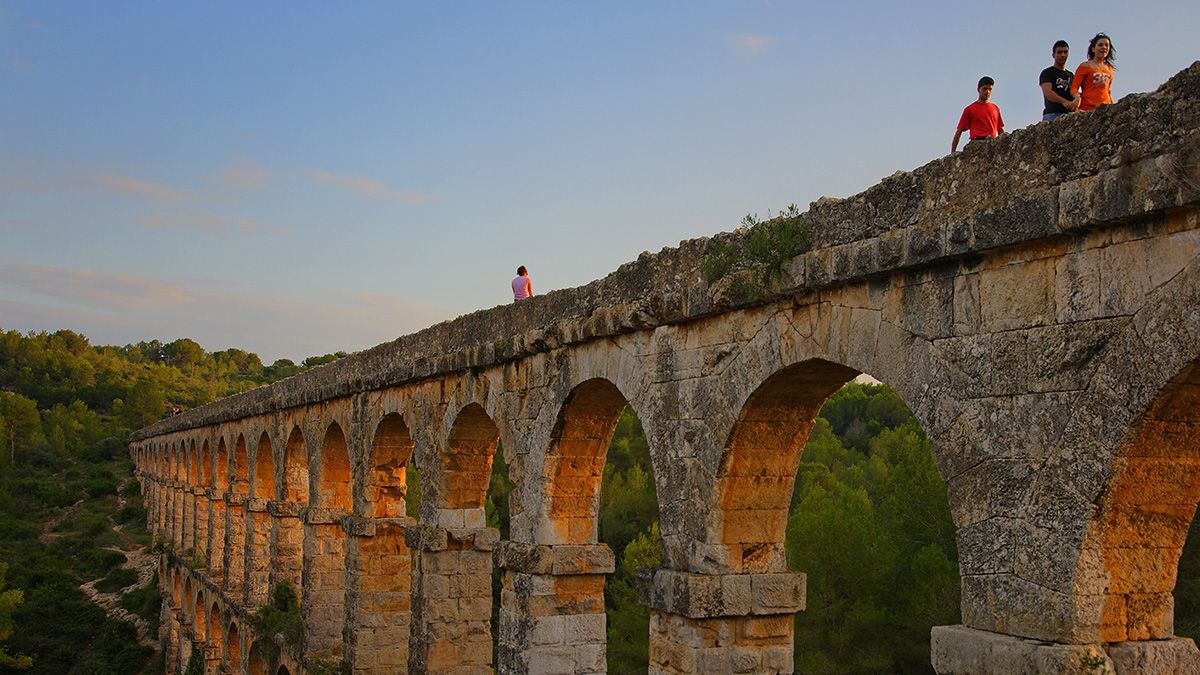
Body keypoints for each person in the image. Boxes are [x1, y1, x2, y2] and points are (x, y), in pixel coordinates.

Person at [952, 76, 1004, 152]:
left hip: (992, 144)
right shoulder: (970, 109)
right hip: (976, 145)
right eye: (985, 89)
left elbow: (1000, 129)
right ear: (978, 89)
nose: (988, 92)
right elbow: (959, 132)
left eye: (990, 89)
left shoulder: (995, 108)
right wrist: (952, 153)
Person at [1071, 33, 1115, 111]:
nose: (1104, 47)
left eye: (1106, 45)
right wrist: (1077, 97)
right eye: (1100, 45)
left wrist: (1112, 105)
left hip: (1105, 108)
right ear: (1093, 49)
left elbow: (1107, 90)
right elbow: (1074, 87)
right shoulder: (1085, 66)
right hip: (1088, 108)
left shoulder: (1109, 69)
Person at [1040, 40, 1078, 121]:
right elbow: (1048, 93)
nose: (1063, 55)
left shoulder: (1071, 75)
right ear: (1053, 55)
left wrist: (1077, 99)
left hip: (1069, 115)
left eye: (1065, 52)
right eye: (1059, 52)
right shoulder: (1047, 72)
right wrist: (1064, 102)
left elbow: (1074, 91)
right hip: (1052, 114)